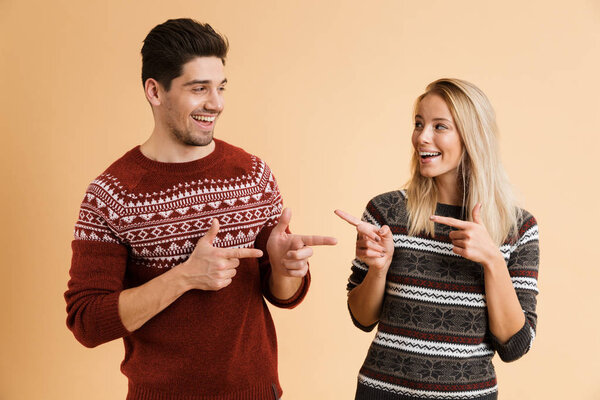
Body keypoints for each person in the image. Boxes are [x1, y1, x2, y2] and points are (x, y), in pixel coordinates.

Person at [64, 18, 336, 400]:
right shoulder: (111, 195)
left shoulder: (253, 174)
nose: (216, 103)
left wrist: (283, 268)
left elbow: (283, 295)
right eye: (199, 89)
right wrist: (186, 276)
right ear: (155, 92)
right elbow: (88, 321)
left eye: (221, 87)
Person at [335, 78, 539, 400]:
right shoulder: (386, 210)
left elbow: (514, 345)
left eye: (439, 126)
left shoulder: (517, 227)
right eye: (418, 123)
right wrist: (378, 268)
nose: (422, 137)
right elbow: (362, 317)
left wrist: (493, 260)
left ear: (472, 137)